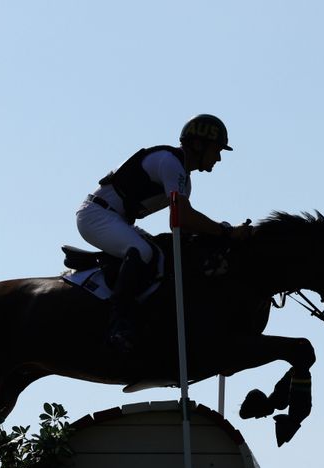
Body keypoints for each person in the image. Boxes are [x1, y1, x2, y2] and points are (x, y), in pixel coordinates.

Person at [76, 113, 250, 352]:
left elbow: (181, 224)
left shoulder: (183, 179)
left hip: (117, 218)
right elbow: (184, 217)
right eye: (216, 150)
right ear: (198, 145)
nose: (218, 158)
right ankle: (119, 324)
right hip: (96, 215)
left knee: (160, 254)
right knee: (141, 251)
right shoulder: (170, 162)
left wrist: (221, 233)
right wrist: (225, 232)